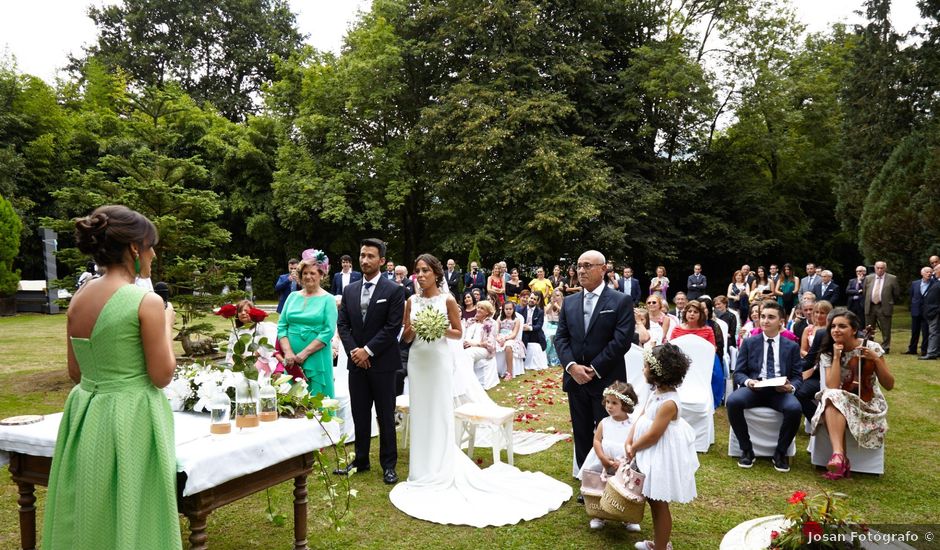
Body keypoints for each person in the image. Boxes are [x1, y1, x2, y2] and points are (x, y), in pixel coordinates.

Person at [389, 254, 572, 525]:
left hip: (438, 361)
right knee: (421, 412)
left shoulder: (447, 300)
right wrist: (413, 329)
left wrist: (437, 327)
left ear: (436, 273)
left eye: (425, 270)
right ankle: (420, 469)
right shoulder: (411, 301)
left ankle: (440, 465)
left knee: (438, 412)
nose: (421, 275)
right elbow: (404, 335)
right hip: (418, 360)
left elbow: (457, 332)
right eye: (418, 271)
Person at [43, 205, 181, 549]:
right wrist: (166, 322)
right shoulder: (145, 302)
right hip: (132, 417)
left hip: (87, 415)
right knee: (135, 502)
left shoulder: (79, 298)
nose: (152, 254)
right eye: (150, 246)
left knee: (92, 506)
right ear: (134, 248)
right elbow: (162, 375)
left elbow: (76, 372)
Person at [555, 250, 635, 472]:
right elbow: (561, 338)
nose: (581, 270)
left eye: (588, 265)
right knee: (581, 432)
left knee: (607, 432)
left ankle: (609, 475)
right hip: (575, 380)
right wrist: (572, 367)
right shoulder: (569, 302)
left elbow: (621, 341)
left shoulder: (620, 301)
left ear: (603, 269)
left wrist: (593, 369)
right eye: (579, 265)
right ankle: (586, 477)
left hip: (606, 379)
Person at [336, 238, 406, 484]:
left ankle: (389, 465)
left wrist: (368, 350)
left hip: (383, 364)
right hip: (356, 363)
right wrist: (355, 351)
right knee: (360, 413)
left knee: (385, 415)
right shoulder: (350, 290)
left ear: (382, 261)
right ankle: (361, 460)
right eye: (362, 255)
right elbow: (343, 324)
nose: (365, 260)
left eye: (370, 256)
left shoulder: (395, 291)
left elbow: (392, 327)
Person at [626, 344, 699, 550]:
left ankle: (660, 547)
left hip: (659, 455)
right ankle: (660, 543)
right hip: (647, 452)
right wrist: (629, 439)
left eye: (646, 366)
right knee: (651, 499)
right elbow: (641, 416)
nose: (643, 369)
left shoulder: (669, 402)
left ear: (658, 371)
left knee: (658, 503)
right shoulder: (656, 392)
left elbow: (653, 435)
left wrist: (635, 447)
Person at [810, 309, 894, 479]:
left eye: (842, 326)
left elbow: (889, 384)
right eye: (833, 326)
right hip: (840, 399)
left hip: (867, 402)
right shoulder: (829, 352)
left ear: (854, 330)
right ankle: (839, 455)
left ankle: (840, 458)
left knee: (831, 398)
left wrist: (876, 359)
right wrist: (836, 356)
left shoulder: (871, 347)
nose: (836, 330)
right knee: (832, 395)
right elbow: (832, 385)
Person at [727, 301, 803, 473]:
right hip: (755, 389)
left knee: (794, 408)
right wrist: (748, 382)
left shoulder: (791, 346)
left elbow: (798, 377)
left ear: (781, 321)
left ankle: (780, 452)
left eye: (771, 317)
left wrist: (790, 388)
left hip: (779, 391)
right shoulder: (749, 342)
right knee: (733, 402)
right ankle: (746, 449)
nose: (765, 321)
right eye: (762, 316)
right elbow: (738, 372)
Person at [578, 381, 641, 532]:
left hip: (624, 462)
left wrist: (626, 461)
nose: (609, 406)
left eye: (614, 403)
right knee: (600, 485)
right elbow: (597, 441)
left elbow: (634, 443)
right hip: (602, 461)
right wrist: (603, 459)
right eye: (607, 402)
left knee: (626, 488)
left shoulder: (633, 424)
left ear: (625, 405)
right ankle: (598, 515)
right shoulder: (604, 423)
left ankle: (627, 517)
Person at [277, 251, 338, 397]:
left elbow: (328, 331)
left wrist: (303, 354)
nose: (308, 276)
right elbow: (282, 326)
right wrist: (288, 353)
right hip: (291, 360)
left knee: (318, 398)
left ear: (321, 275)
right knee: (292, 398)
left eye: (312, 273)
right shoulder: (292, 297)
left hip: (317, 358)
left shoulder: (328, 299)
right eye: (305, 273)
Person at [225, 299, 280, 376]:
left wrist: (249, 357)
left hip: (257, 360)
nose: (243, 313)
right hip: (240, 360)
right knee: (229, 371)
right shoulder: (236, 330)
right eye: (240, 311)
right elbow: (230, 348)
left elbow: (265, 348)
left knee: (250, 369)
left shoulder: (261, 327)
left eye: (246, 311)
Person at [864, 261, 900, 353]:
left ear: (885, 268)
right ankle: (869, 345)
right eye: (878, 268)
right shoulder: (868, 278)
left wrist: (889, 302)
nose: (880, 270)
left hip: (884, 306)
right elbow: (865, 292)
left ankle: (885, 347)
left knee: (886, 328)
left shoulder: (892, 278)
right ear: (875, 268)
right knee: (869, 328)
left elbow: (896, 293)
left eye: (882, 268)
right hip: (871, 306)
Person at [462, 300, 498, 388]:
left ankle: (467, 383)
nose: (478, 309)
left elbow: (490, 343)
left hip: (484, 350)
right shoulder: (471, 321)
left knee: (468, 353)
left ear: (487, 312)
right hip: (467, 346)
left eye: (482, 308)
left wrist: (473, 344)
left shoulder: (492, 323)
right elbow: (463, 335)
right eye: (478, 307)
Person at [906, 267, 934, 356]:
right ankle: (912, 349)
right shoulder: (915, 283)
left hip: (927, 311)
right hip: (916, 310)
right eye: (927, 272)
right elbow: (912, 295)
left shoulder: (935, 284)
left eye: (930, 272)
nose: (929, 274)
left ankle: (924, 350)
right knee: (914, 331)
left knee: (926, 331)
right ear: (922, 273)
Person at [496, 300, 526, 380]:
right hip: (500, 337)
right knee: (492, 345)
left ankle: (509, 372)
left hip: (511, 338)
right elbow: (496, 331)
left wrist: (505, 338)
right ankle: (494, 370)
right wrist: (499, 338)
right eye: (506, 309)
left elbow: (514, 333)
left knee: (508, 346)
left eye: (510, 309)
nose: (508, 311)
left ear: (513, 310)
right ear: (503, 309)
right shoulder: (499, 319)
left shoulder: (516, 320)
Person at [920, 264, 940, 360]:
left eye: (935, 270)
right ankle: (935, 351)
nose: (933, 273)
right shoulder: (936, 282)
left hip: (935, 312)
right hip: (932, 311)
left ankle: (932, 353)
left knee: (933, 333)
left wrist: (936, 310)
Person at [543, 288, 564, 365]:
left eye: (558, 295)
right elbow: (547, 312)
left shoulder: (565, 304)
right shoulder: (550, 304)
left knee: (556, 336)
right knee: (548, 337)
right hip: (550, 325)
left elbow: (564, 313)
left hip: (560, 326)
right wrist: (552, 304)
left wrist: (557, 306)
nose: (556, 297)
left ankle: (557, 360)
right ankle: (545, 358)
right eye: (554, 296)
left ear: (561, 297)